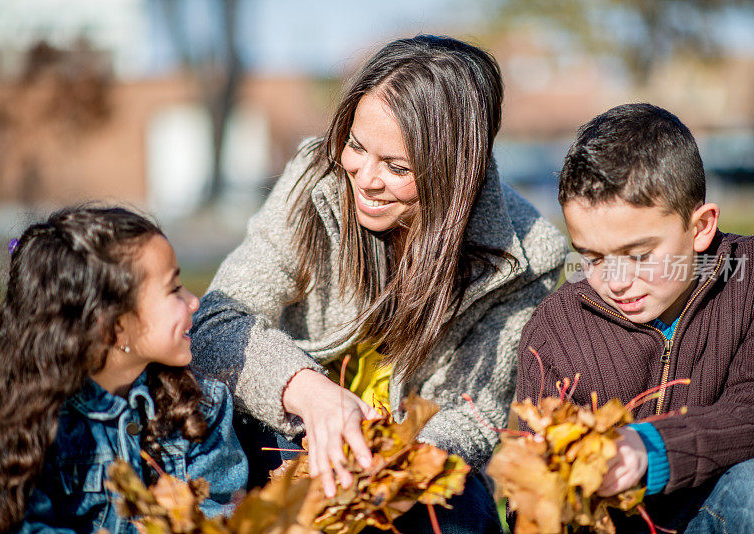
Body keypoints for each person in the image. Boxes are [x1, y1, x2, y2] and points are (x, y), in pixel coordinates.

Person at [190, 34, 568, 532]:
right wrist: (310, 394)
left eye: (397, 167)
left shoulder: (525, 254)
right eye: (356, 145)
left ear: (459, 173)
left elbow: (471, 418)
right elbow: (218, 323)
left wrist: (376, 468)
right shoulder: (315, 178)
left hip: (401, 464)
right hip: (279, 433)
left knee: (461, 508)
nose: (364, 178)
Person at [514, 103, 754, 532]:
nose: (617, 281)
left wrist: (648, 448)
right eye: (591, 257)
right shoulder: (555, 330)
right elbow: (525, 485)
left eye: (639, 255)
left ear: (700, 227)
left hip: (716, 511)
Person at [0, 207, 248, 533]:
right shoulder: (28, 424)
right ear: (112, 327)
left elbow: (218, 519)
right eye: (173, 289)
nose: (194, 301)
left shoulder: (200, 408)